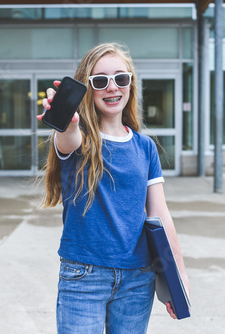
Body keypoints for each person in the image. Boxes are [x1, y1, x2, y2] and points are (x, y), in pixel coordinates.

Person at [37, 42, 190, 333]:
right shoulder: (78, 140)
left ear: (130, 84)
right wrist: (67, 123)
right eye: (100, 81)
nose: (112, 87)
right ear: (87, 88)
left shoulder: (145, 148)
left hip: (138, 279)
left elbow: (160, 215)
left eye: (121, 78)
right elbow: (67, 138)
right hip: (84, 277)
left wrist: (178, 277)